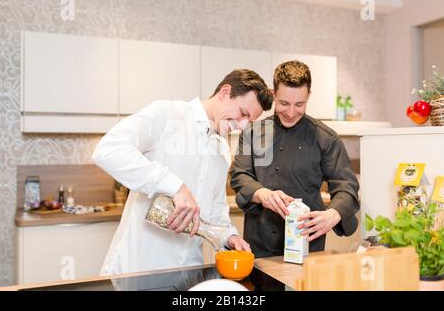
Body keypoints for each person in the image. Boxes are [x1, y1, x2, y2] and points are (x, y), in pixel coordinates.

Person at [91, 69, 273, 275]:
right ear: (225, 92)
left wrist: (228, 236)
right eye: (243, 113)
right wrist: (175, 186)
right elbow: (108, 150)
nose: (241, 125)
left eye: (249, 122)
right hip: (139, 270)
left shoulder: (221, 150)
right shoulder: (167, 115)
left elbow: (215, 209)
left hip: (187, 272)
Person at [230, 60, 360, 258]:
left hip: (307, 245)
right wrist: (262, 193)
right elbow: (240, 175)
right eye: (284, 103)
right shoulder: (253, 132)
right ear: (274, 94)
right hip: (259, 244)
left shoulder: (325, 138)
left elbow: (346, 186)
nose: (291, 113)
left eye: (299, 104)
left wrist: (333, 214)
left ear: (309, 96)